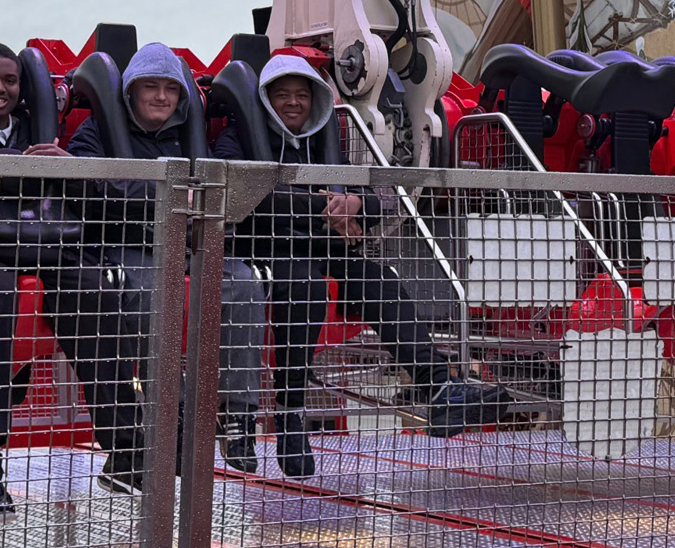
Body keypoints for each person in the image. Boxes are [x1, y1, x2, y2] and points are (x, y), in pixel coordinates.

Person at [214, 53, 509, 477]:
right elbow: (245, 198)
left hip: (320, 244)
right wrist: (322, 208)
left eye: (301, 94)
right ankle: (290, 412)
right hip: (264, 247)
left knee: (379, 280)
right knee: (307, 287)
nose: (294, 103)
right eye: (283, 96)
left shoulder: (324, 141)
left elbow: (379, 199)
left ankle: (438, 386)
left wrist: (352, 202)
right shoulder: (236, 139)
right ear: (265, 100)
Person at [0, 42, 145, 506]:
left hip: (44, 242)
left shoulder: (38, 128)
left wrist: (65, 171)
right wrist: (35, 170)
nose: (0, 89)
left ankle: (126, 451)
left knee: (91, 288)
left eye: (10, 80)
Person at [69, 43, 268, 474]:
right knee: (151, 292)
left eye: (170, 90)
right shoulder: (97, 132)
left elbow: (220, 190)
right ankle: (170, 413)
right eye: (150, 88)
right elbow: (89, 186)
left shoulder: (190, 139)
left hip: (191, 243)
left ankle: (237, 416)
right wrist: (173, 194)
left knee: (243, 283)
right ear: (130, 92)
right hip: (129, 246)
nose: (161, 97)